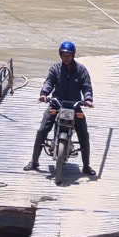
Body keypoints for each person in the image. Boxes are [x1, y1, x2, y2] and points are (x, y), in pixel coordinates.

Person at [25, 41, 96, 175]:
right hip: (57, 104)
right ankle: (34, 162)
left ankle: (86, 166)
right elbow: (49, 82)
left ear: (73, 55)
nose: (66, 57)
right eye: (64, 55)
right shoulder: (55, 68)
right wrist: (44, 94)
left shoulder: (81, 70)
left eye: (69, 55)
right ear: (60, 55)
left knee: (84, 134)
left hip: (75, 106)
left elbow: (87, 86)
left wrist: (88, 99)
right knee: (42, 130)